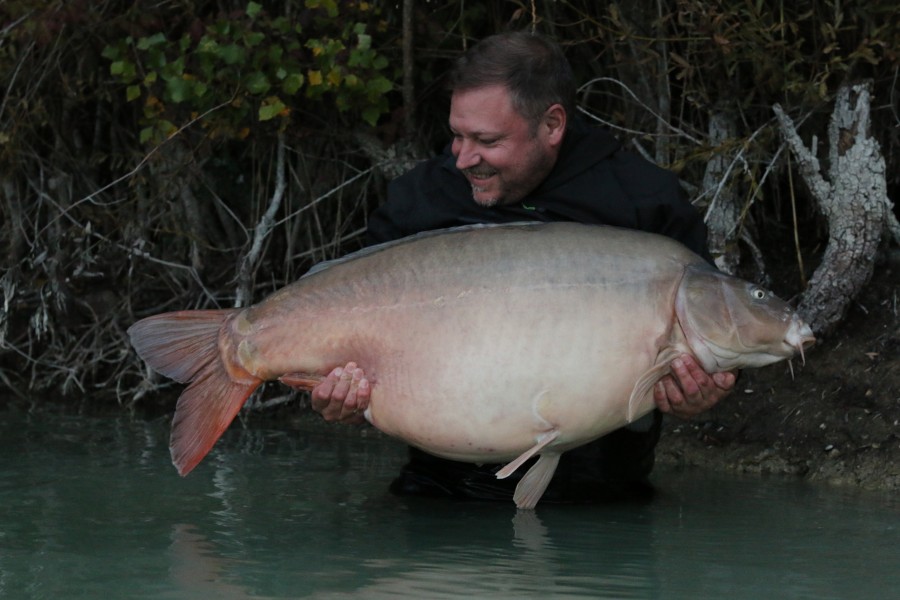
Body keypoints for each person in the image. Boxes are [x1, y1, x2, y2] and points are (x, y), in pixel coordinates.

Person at [303, 31, 736, 502]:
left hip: (599, 500)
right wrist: (342, 396)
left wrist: (699, 391)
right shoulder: (420, 201)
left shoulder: (643, 204)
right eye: (457, 135)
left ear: (552, 125)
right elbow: (356, 354)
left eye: (487, 140)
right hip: (439, 494)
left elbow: (709, 332)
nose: (464, 158)